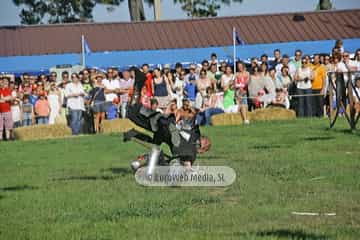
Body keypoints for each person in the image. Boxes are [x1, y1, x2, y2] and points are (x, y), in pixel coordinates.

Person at [124, 68, 211, 169]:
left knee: (155, 141)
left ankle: (133, 135)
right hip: (163, 124)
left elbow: (187, 163)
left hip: (163, 126)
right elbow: (187, 164)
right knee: (133, 113)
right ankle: (139, 80)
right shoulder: (192, 148)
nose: (202, 144)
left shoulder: (193, 139)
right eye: (203, 144)